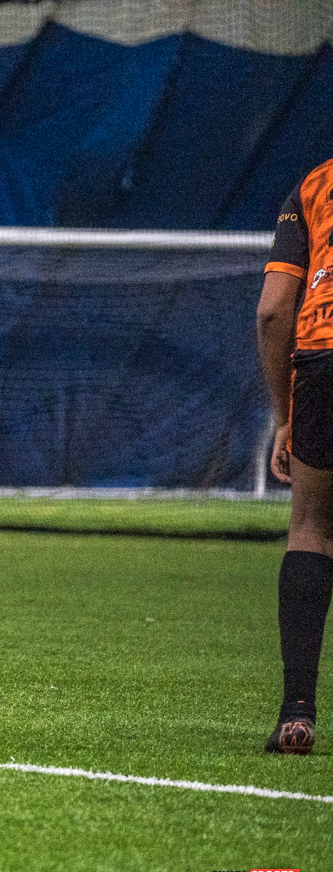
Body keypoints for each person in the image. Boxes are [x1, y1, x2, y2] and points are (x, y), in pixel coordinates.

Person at [256, 156, 333, 754]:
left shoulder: (314, 182)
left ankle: (297, 713)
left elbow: (274, 309)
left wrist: (284, 415)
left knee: (311, 528)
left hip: (324, 358)